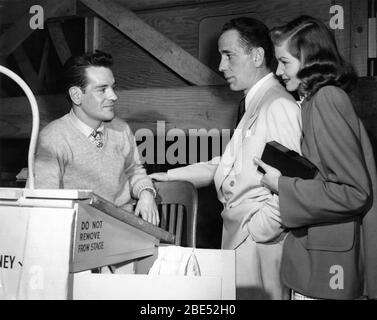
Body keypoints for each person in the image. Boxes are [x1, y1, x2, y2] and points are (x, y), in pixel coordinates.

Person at [150, 17, 302, 299]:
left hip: (259, 245)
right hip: (241, 240)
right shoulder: (255, 103)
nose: (221, 67)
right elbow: (227, 164)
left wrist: (258, 229)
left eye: (228, 55)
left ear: (257, 56)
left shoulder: (278, 105)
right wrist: (168, 177)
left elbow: (292, 184)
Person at [254, 15, 377, 300]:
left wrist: (281, 184)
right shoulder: (317, 100)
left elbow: (354, 192)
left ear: (309, 59)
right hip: (323, 253)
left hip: (330, 263)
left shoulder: (326, 100)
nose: (278, 71)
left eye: (285, 62)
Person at [33, 50, 159, 226]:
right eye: (102, 89)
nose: (113, 96)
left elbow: (133, 170)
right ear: (76, 95)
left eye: (113, 88)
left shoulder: (121, 129)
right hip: (80, 233)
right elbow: (45, 200)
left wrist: (146, 192)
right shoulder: (53, 137)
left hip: (124, 230)